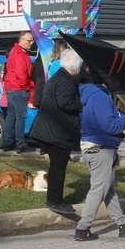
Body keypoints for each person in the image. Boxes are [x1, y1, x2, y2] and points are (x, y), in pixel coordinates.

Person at [73, 80, 125, 242]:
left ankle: (123, 226)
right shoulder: (100, 97)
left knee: (108, 190)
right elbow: (111, 126)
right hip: (100, 148)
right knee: (98, 189)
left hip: (92, 147)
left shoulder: (87, 93)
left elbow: (111, 120)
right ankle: (82, 228)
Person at [28, 48, 84, 220]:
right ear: (75, 66)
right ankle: (54, 201)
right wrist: (82, 103)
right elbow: (65, 102)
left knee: (57, 166)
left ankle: (54, 198)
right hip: (55, 132)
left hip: (52, 130)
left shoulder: (60, 77)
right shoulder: (65, 81)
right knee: (58, 167)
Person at [2, 31, 36, 152]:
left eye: (32, 41)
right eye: (29, 40)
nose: (31, 43)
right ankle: (20, 144)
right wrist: (29, 87)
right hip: (19, 89)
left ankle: (7, 143)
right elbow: (22, 75)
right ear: (21, 40)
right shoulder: (21, 54)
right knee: (20, 117)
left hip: (11, 89)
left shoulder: (13, 51)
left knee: (11, 116)